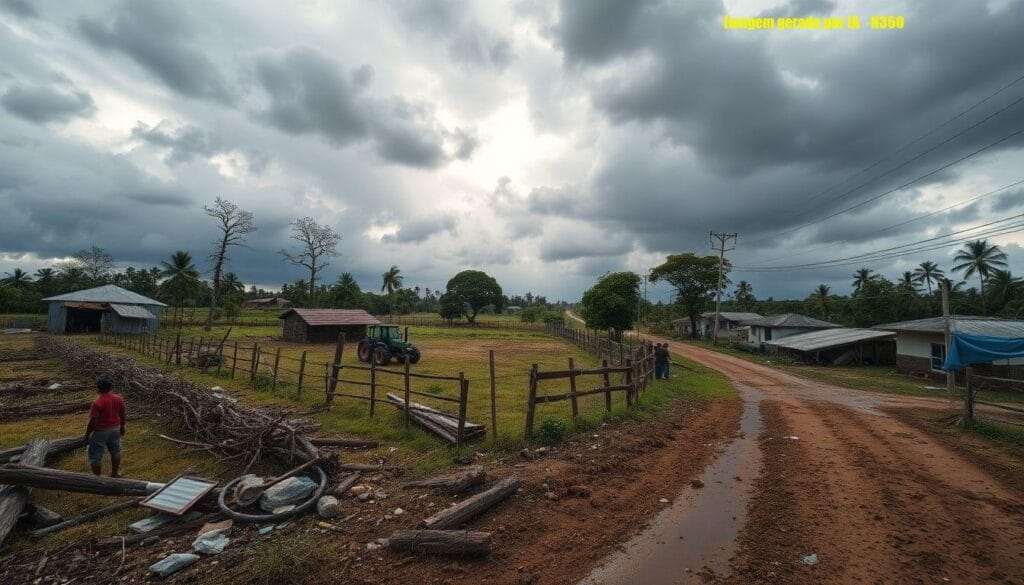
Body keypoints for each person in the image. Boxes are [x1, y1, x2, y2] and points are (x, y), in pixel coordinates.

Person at [84, 377, 126, 477]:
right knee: (116, 451)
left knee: (95, 456)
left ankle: (98, 479)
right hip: (115, 429)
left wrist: (87, 436)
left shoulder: (98, 403)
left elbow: (93, 422)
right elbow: (122, 414)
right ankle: (115, 473)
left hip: (101, 431)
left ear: (98, 388)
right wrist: (122, 426)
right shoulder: (118, 398)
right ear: (111, 387)